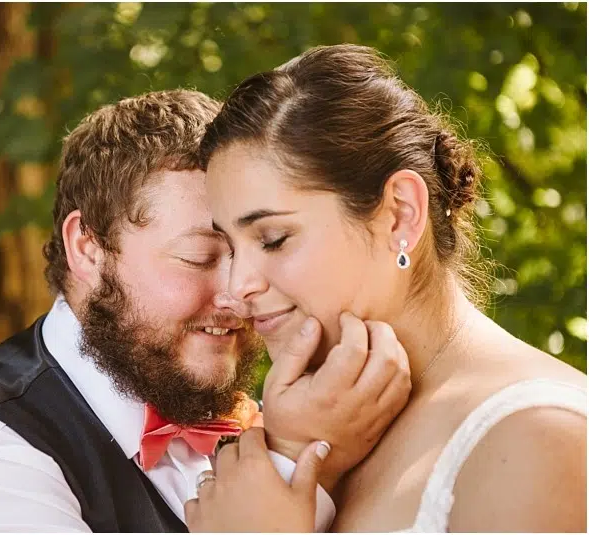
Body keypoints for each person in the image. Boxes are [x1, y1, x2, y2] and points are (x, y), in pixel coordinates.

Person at [0, 89, 412, 532]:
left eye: (252, 252)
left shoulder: (251, 414)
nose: (239, 290)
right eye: (199, 256)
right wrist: (295, 464)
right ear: (87, 249)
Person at [185, 44, 587, 533]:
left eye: (273, 239)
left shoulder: (542, 438)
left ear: (401, 214)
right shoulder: (320, 429)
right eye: (227, 246)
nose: (236, 285)